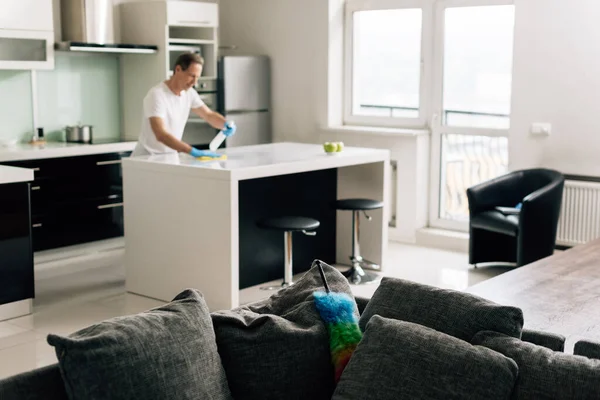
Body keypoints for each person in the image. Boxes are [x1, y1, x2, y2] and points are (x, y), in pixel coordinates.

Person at [131, 52, 236, 157]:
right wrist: (191, 151)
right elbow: (160, 134)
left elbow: (208, 115)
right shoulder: (157, 95)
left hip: (169, 155)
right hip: (147, 156)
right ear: (178, 70)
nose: (194, 82)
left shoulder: (189, 93)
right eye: (191, 76)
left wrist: (225, 124)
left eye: (197, 77)